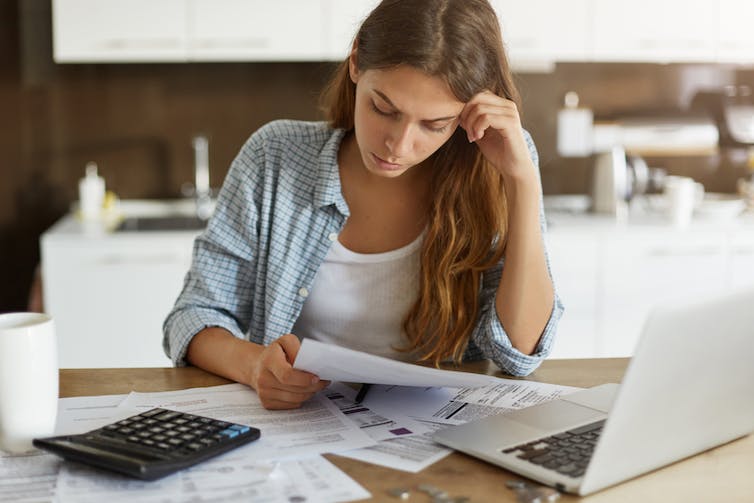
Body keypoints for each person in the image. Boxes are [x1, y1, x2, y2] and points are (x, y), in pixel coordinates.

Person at [163, 0, 563, 410]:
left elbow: (519, 351)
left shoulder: (496, 168)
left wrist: (522, 180)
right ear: (356, 62)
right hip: (303, 427)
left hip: (442, 438)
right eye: (384, 109)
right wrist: (254, 366)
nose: (399, 144)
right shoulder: (275, 156)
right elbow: (194, 316)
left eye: (434, 125)